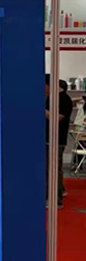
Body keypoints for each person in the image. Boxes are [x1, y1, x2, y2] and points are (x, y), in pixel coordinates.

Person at [47, 75, 74, 208]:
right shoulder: (50, 98)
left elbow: (57, 118)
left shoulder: (64, 99)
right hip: (48, 138)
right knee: (53, 169)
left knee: (54, 170)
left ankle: (56, 199)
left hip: (57, 139)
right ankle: (60, 191)